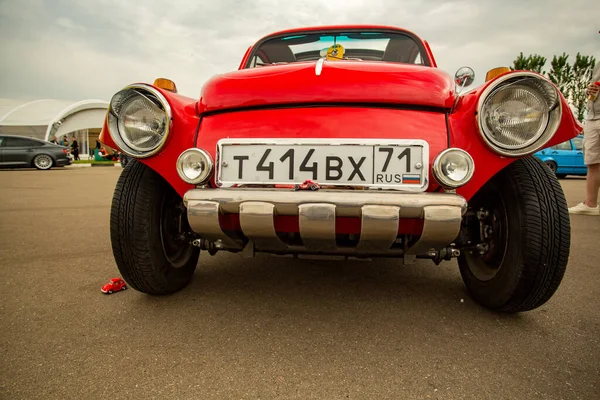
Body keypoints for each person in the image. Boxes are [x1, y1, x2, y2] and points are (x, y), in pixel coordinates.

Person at [569, 63, 600, 216]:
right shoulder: (598, 65)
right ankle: (591, 205)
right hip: (593, 117)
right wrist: (589, 91)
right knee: (592, 161)